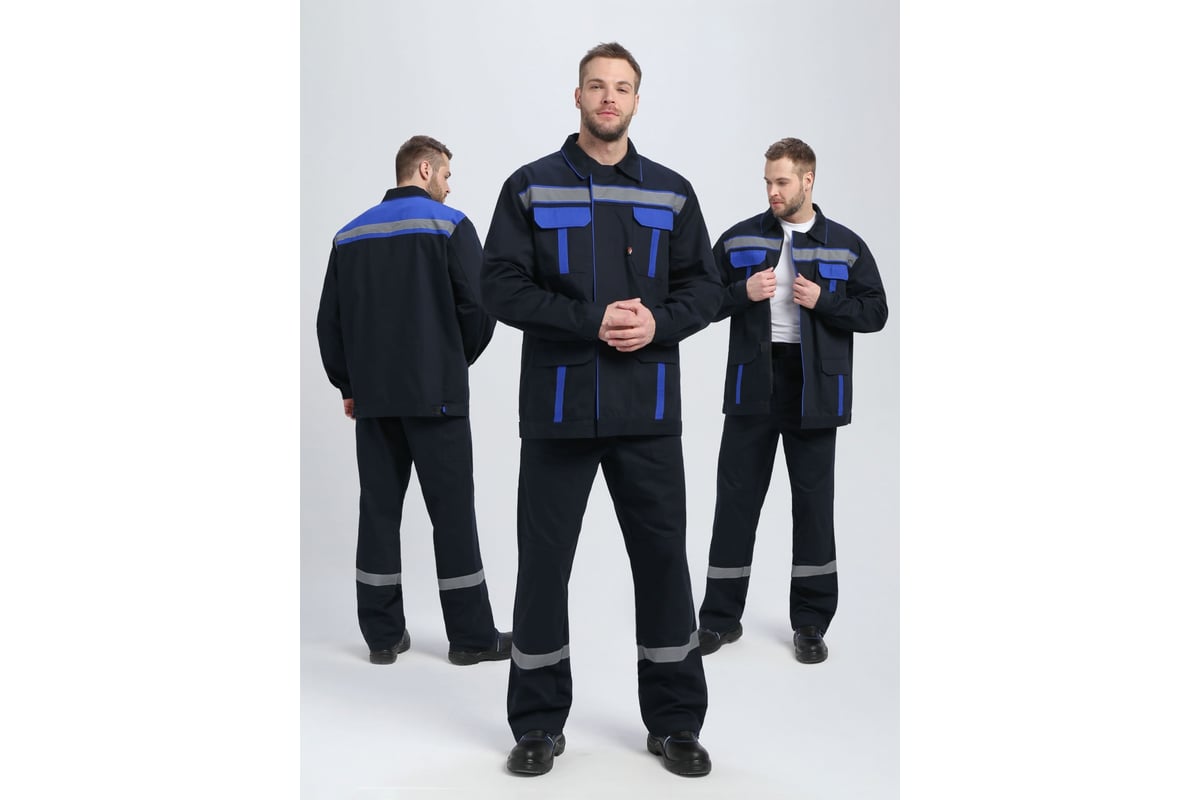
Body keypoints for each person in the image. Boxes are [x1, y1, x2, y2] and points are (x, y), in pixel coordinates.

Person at [481, 43, 722, 778]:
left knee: (663, 565)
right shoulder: (530, 186)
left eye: (622, 87)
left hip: (647, 411)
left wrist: (657, 322)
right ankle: (536, 724)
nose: (609, 97)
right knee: (543, 567)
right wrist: (589, 320)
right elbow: (499, 285)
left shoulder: (672, 192)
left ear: (637, 101)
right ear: (578, 96)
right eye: (597, 86)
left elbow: (706, 289)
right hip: (558, 413)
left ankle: (676, 723)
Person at [316, 135, 512, 668]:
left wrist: (349, 385)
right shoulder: (450, 226)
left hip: (375, 403)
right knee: (452, 516)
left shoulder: (349, 234)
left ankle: (382, 637)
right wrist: (450, 360)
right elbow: (481, 306)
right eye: (446, 175)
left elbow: (329, 322)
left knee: (378, 513)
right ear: (425, 170)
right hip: (437, 398)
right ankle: (471, 638)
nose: (449, 187)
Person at [696, 137, 888, 664]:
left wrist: (826, 301)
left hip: (814, 389)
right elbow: (699, 299)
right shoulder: (739, 238)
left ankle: (810, 622)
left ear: (808, 180)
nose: (772, 192)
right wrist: (742, 294)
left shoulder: (845, 244)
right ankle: (719, 620)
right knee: (735, 503)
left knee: (813, 507)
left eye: (782, 182)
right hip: (753, 385)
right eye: (767, 182)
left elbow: (876, 312)